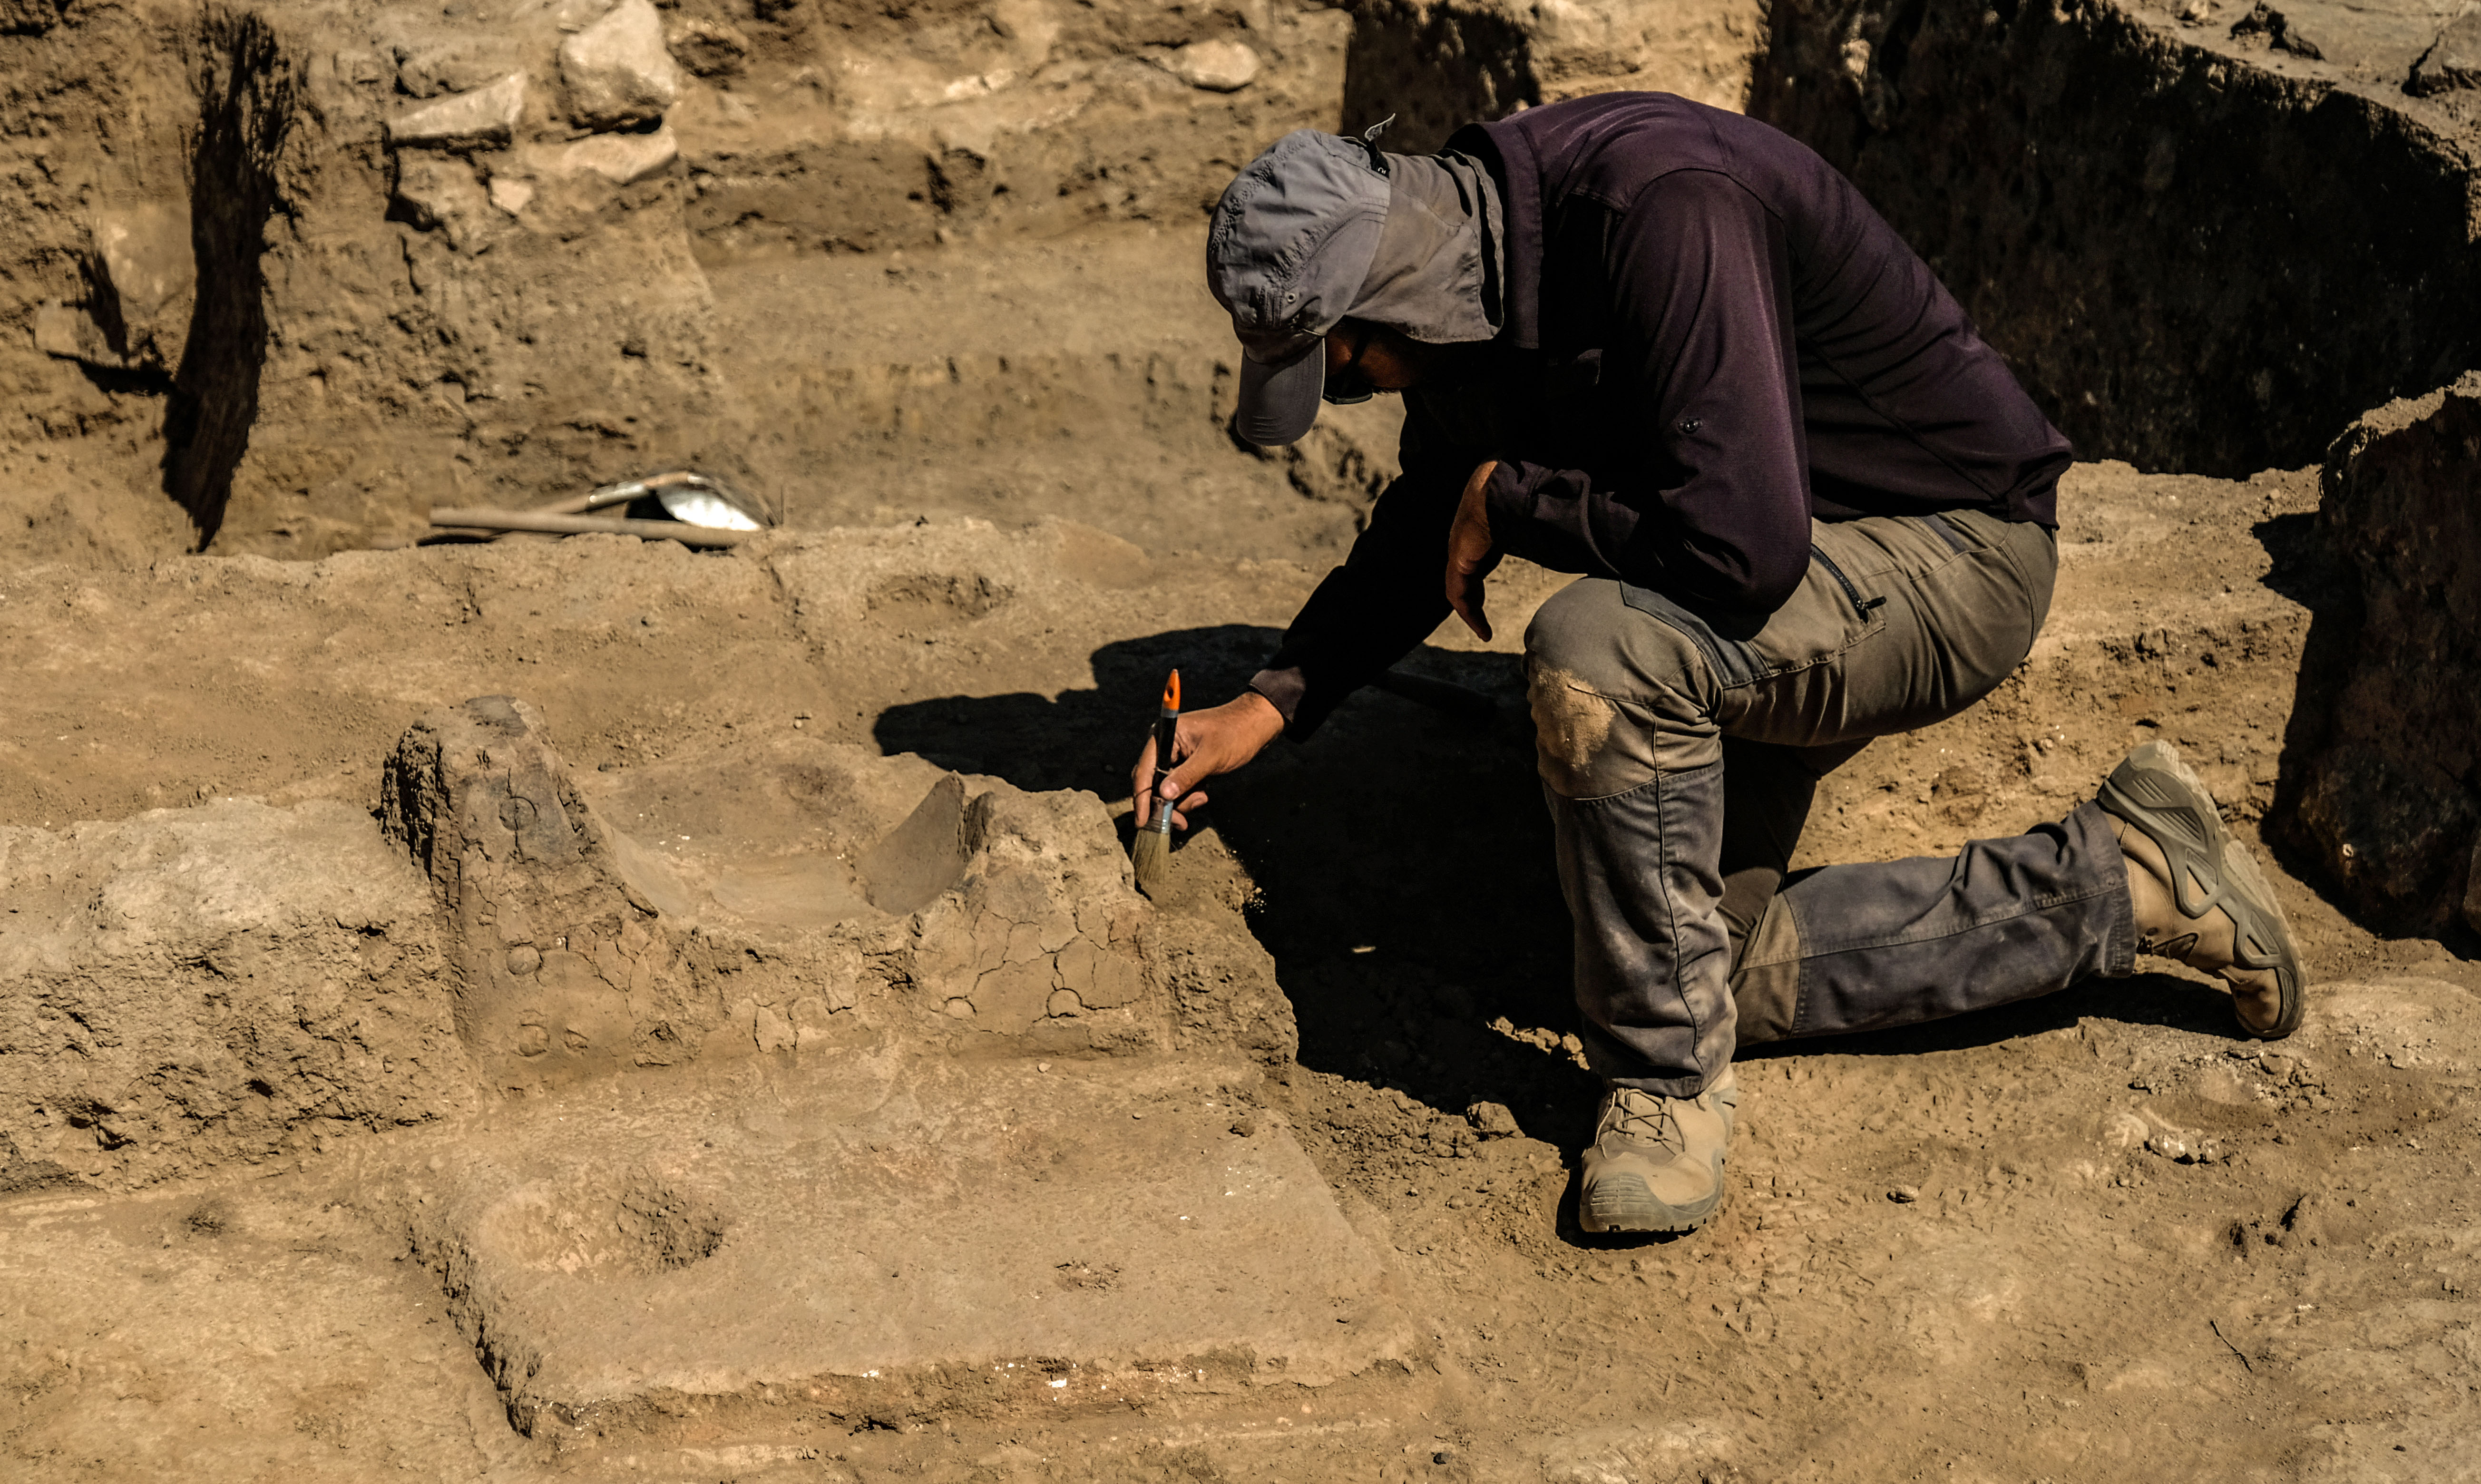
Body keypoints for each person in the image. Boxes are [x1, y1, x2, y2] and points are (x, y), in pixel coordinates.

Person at [1131, 93, 2307, 1234]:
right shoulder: (1476, 268)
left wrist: (1519, 498)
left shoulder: (1663, 209)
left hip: (1946, 550)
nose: (1350, 395)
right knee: (1687, 966)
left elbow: (1738, 548)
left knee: (1593, 650)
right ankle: (2129, 880)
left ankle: (1665, 1096)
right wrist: (1273, 702)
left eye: (1343, 368)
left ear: (1392, 308)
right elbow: (1431, 504)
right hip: (1786, 566)